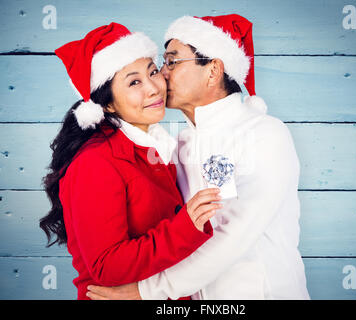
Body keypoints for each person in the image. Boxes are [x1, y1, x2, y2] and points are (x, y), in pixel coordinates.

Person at [87, 14, 310, 300]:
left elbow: (234, 234)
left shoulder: (264, 134)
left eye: (172, 62)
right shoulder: (176, 146)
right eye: (162, 64)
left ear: (213, 70)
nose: (161, 76)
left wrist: (147, 291)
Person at [39, 22, 223, 300]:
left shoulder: (154, 150)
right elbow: (106, 266)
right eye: (134, 82)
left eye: (152, 72)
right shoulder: (96, 162)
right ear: (108, 104)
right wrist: (185, 226)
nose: (153, 89)